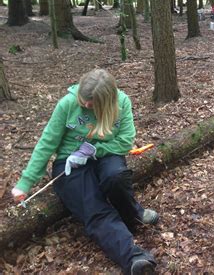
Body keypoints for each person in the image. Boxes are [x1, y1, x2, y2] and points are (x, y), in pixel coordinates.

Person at [11, 69, 158, 274]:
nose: (85, 105)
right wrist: (25, 182)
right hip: (70, 162)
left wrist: (95, 151)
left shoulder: (122, 102)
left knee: (115, 177)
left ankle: (133, 214)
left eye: (90, 103)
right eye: (83, 100)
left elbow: (125, 142)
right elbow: (47, 143)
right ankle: (134, 257)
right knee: (94, 206)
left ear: (106, 103)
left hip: (106, 153)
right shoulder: (67, 104)